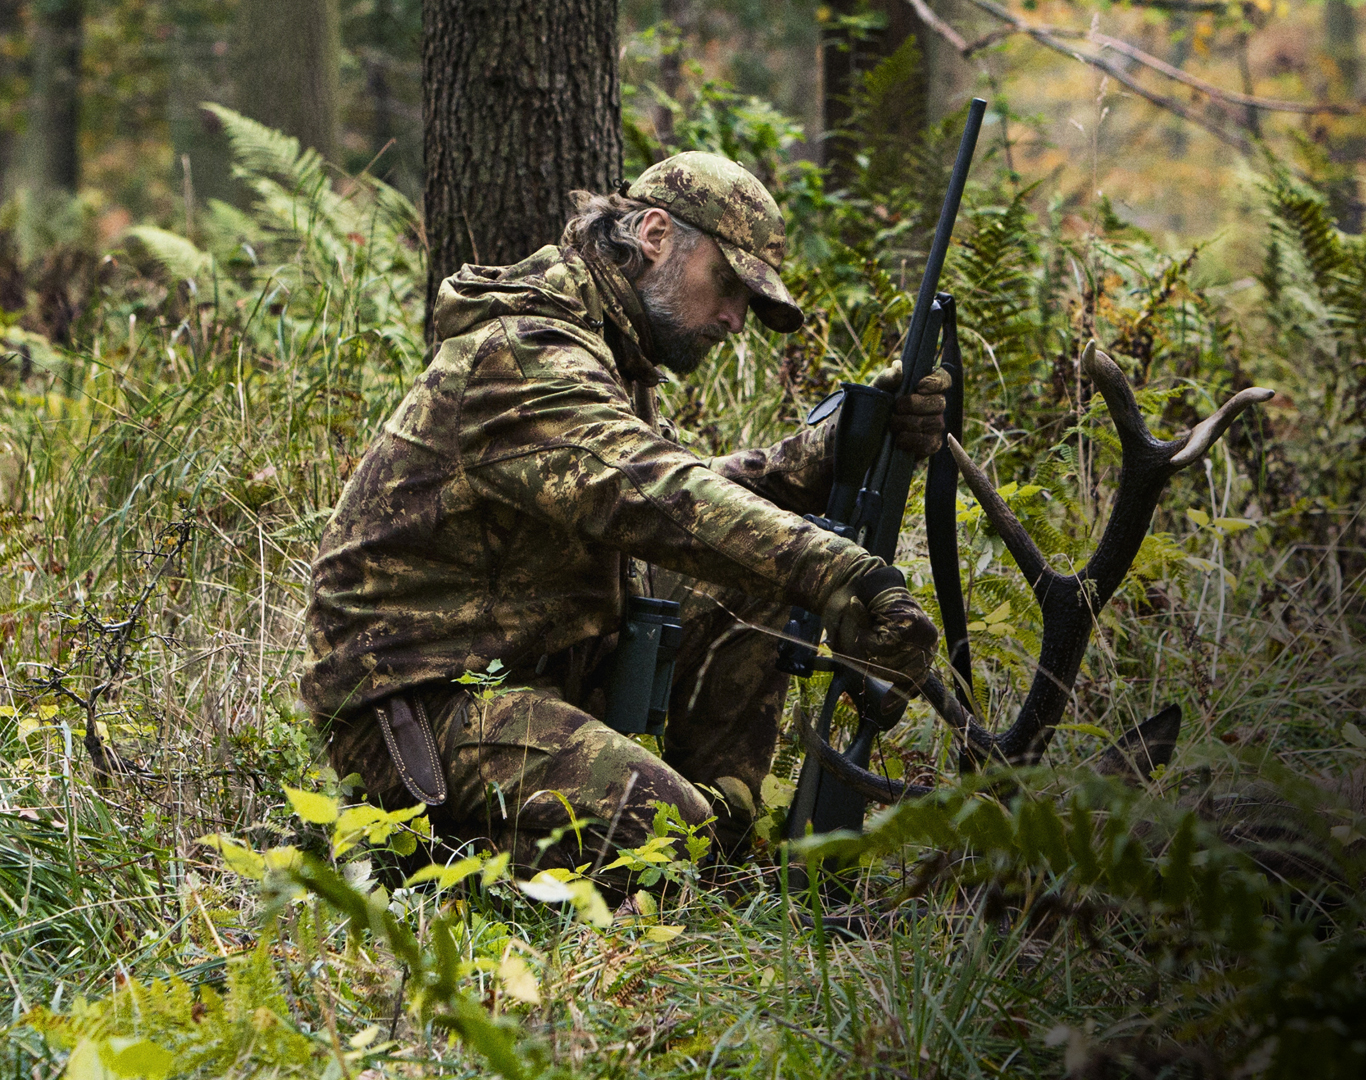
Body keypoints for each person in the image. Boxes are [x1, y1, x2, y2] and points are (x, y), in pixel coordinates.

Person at [301, 152, 948, 889]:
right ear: (654, 233)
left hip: (527, 677)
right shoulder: (525, 351)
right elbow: (650, 492)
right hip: (422, 711)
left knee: (755, 572)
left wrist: (822, 456)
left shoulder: (606, 349)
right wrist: (842, 571)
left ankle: (722, 853)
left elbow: (676, 498)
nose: (735, 319)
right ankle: (426, 862)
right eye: (727, 285)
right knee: (669, 833)